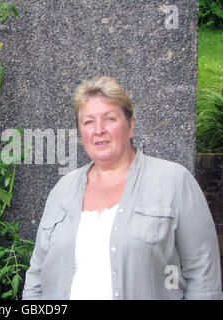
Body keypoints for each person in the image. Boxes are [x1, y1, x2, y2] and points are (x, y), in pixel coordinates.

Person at [22, 76, 223, 300]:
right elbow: (37, 276)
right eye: (88, 122)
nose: (99, 130)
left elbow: (203, 276)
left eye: (109, 119)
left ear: (130, 126)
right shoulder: (63, 189)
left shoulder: (174, 181)